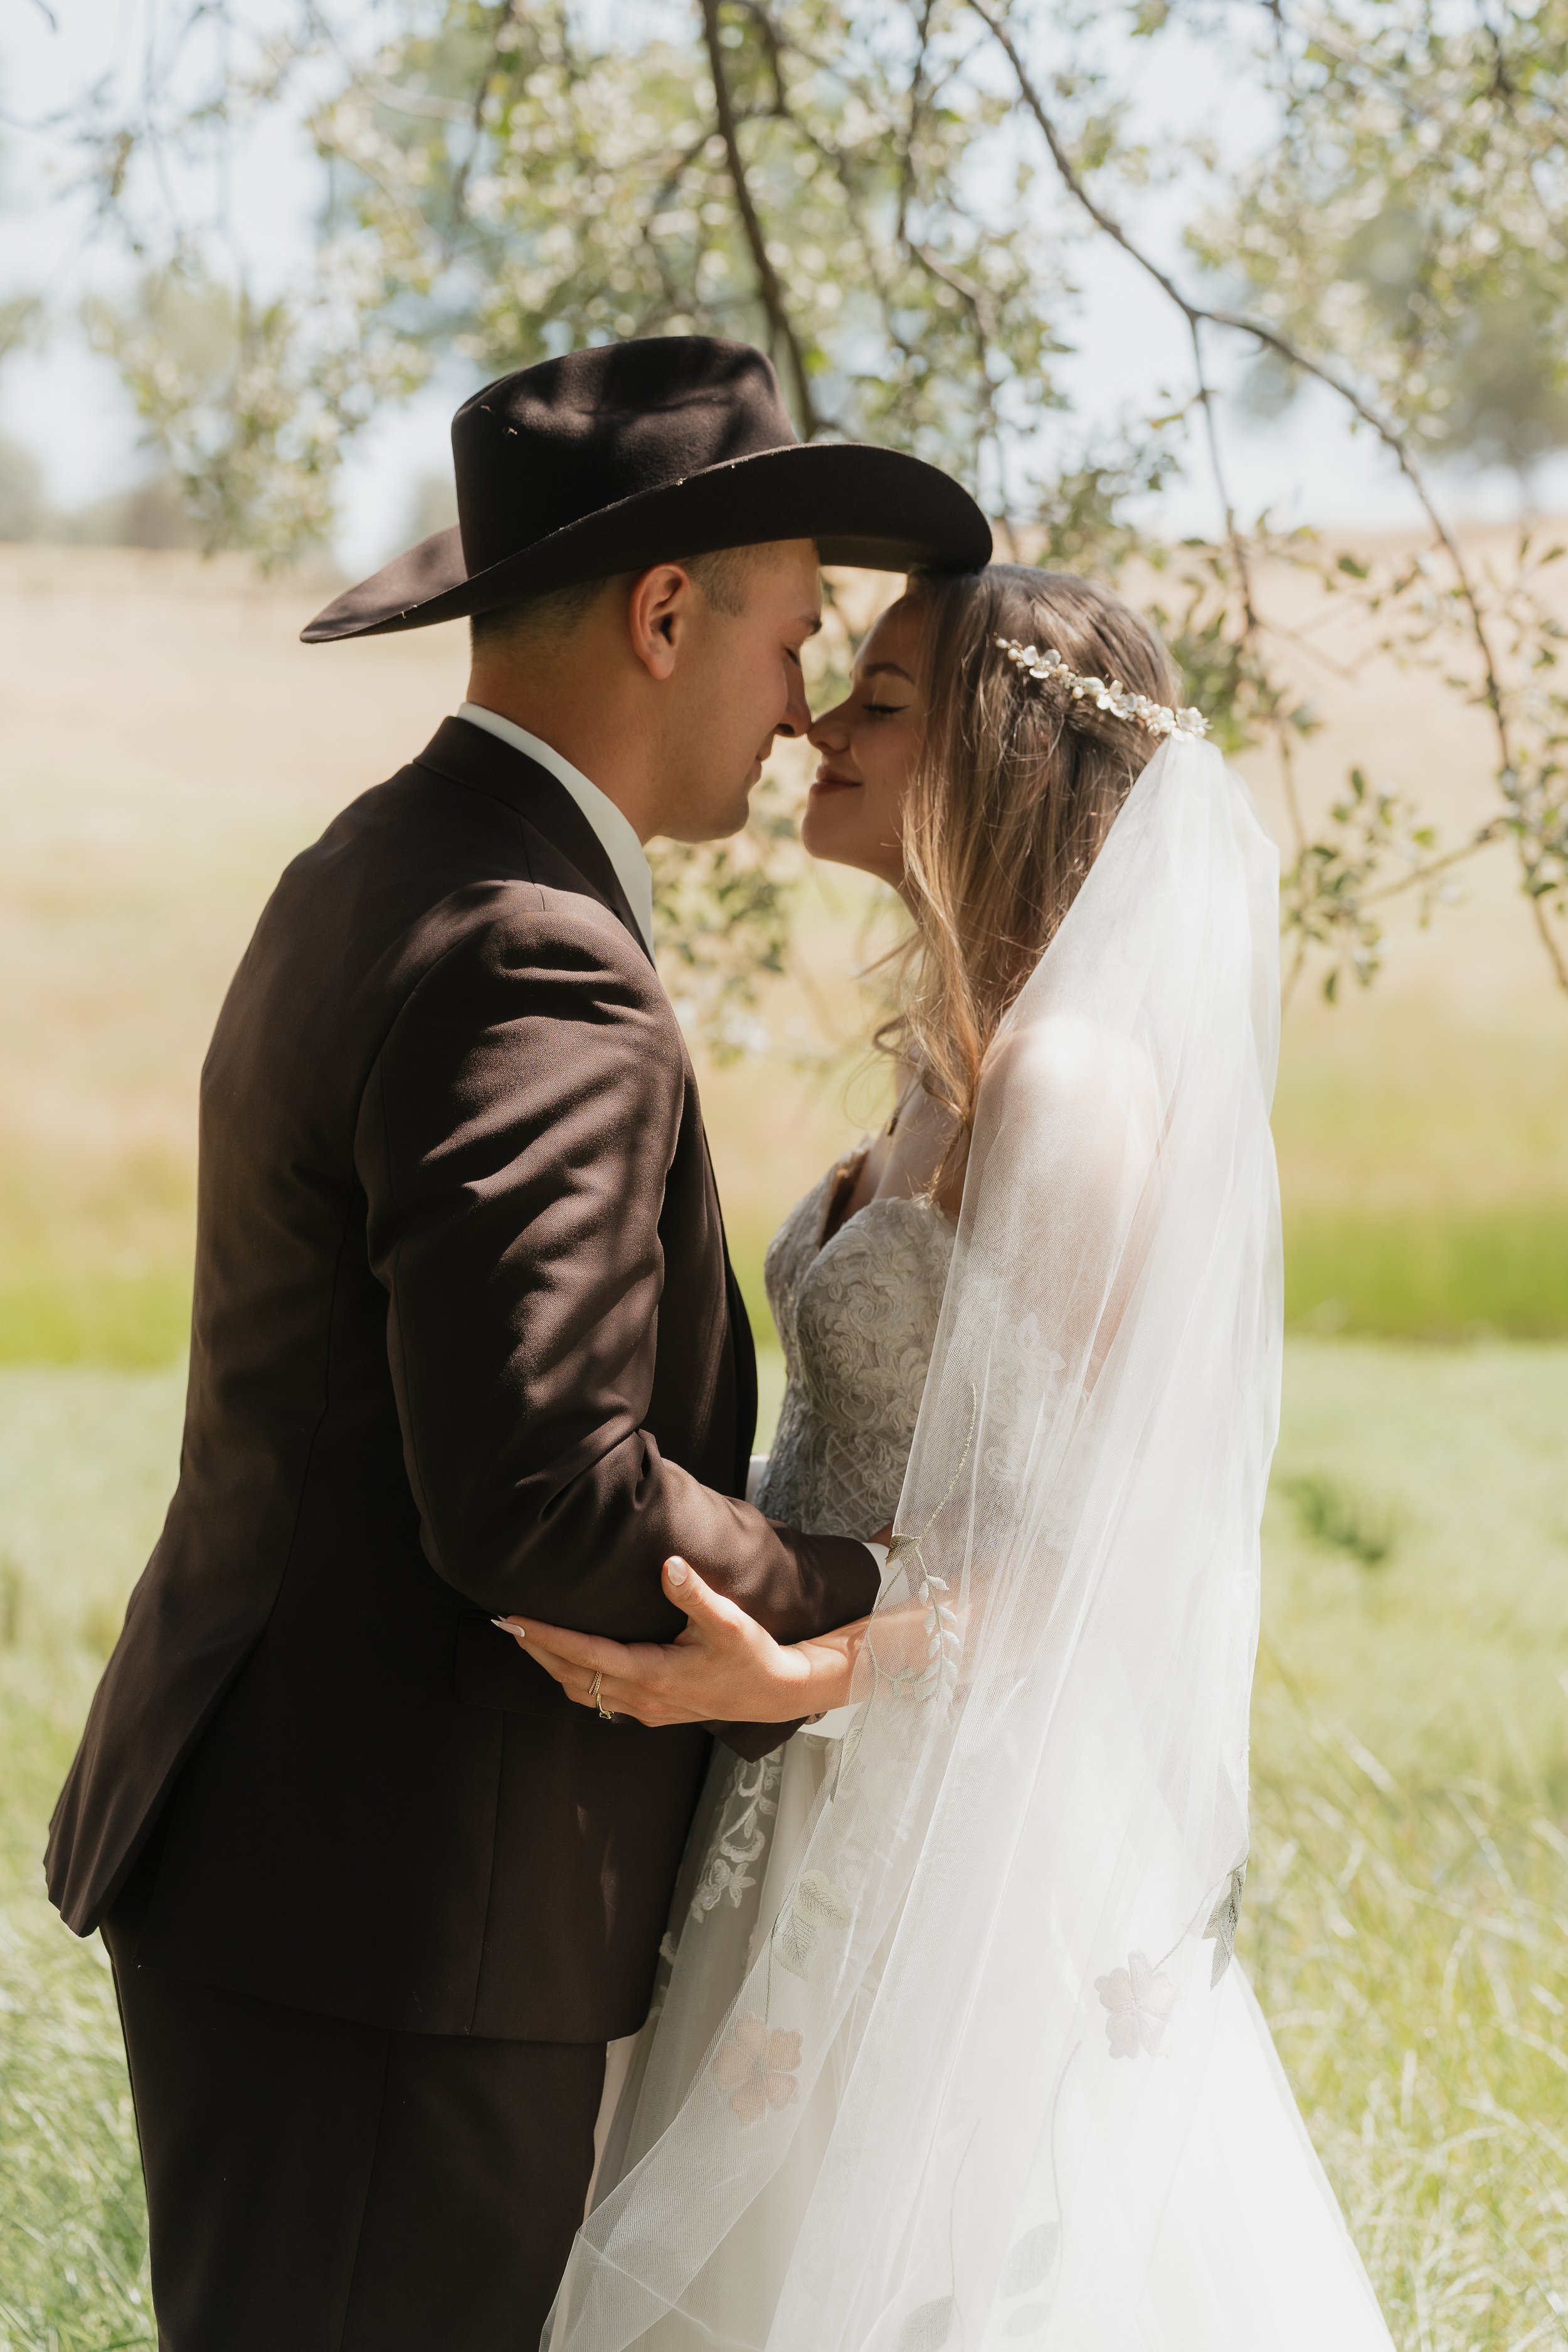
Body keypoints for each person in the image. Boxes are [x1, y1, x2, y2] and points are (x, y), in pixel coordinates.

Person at [41, 334, 991, 2352]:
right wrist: (851, 1602)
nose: (800, 703)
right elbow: (541, 1493)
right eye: (787, 640)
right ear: (666, 616)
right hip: (403, 1921)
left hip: (327, 1889)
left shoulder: (389, 863)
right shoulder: (531, 946)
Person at [512, 566, 1399, 2351]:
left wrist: (806, 1670)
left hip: (953, 1818)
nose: (821, 728)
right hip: (808, 1770)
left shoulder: (1065, 1086)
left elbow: (1086, 1545)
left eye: (886, 698)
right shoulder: (948, 1065)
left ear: (998, 752)